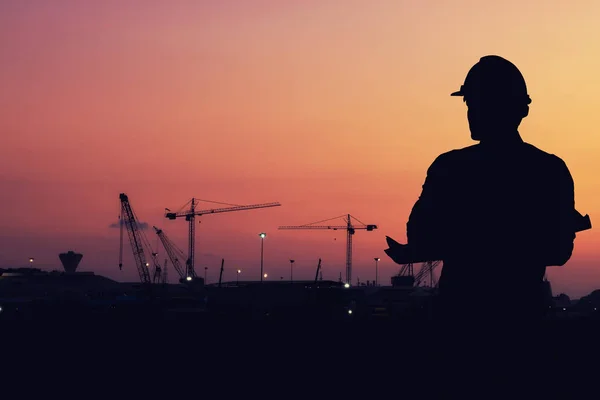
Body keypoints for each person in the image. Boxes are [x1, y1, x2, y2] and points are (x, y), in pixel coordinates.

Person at [406, 55, 578, 321]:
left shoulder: (450, 167)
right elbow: (558, 250)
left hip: (462, 318)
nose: (472, 113)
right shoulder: (549, 169)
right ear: (523, 109)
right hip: (522, 319)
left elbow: (420, 237)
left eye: (479, 103)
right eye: (470, 104)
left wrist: (467, 239)